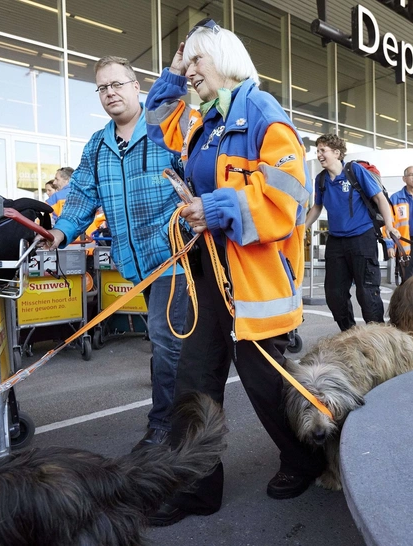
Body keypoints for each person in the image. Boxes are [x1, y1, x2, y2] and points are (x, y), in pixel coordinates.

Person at [145, 19, 326, 526]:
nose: (192, 71)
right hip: (207, 270)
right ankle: (197, 489)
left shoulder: (261, 111)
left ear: (225, 61)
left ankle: (304, 458)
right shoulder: (198, 117)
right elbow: (154, 119)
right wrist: (175, 68)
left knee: (261, 377)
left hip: (253, 276)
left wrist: (218, 207)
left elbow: (291, 198)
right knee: (195, 377)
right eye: (190, 63)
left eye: (199, 61)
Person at [39, 56, 188, 452]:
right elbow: (82, 197)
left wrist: (189, 227)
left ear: (136, 86)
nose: (110, 93)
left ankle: (164, 429)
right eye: (102, 88)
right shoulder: (98, 144)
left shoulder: (166, 129)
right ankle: (190, 414)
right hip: (137, 265)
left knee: (166, 341)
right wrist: (60, 232)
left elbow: (196, 181)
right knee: (173, 344)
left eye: (117, 84)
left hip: (176, 257)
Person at [304, 133, 399, 332]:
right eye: (318, 150)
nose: (319, 154)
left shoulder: (354, 170)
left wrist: (389, 226)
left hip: (362, 238)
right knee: (334, 293)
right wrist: (301, 228)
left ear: (337, 153)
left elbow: (380, 198)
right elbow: (317, 207)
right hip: (336, 241)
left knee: (367, 293)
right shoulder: (321, 179)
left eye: (323, 150)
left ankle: (378, 337)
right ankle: (350, 333)